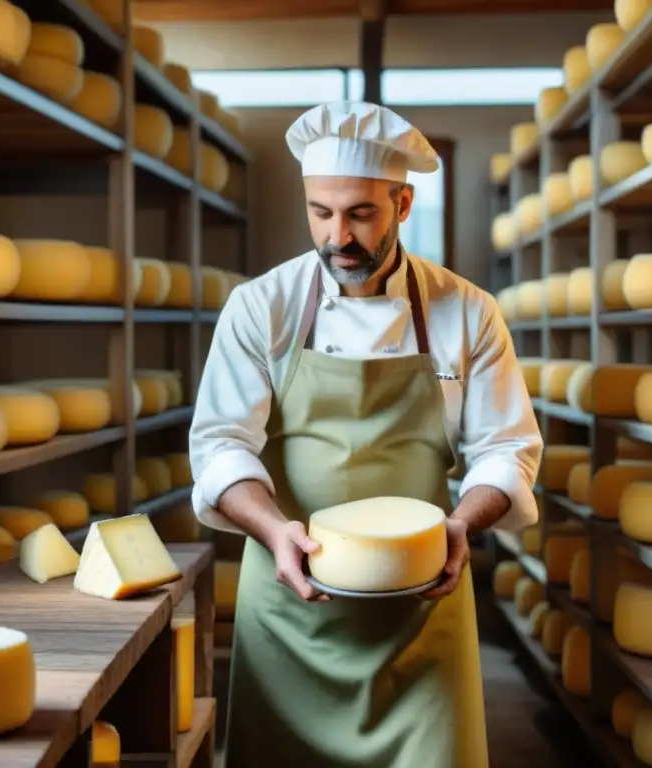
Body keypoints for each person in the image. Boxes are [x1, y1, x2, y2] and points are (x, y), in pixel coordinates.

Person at [189, 100, 543, 768]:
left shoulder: (465, 312)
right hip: (295, 603)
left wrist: (463, 522)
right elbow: (220, 445)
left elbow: (505, 447)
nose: (336, 237)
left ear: (403, 205)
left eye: (360, 214)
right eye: (320, 213)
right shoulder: (262, 306)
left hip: (421, 605)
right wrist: (274, 533)